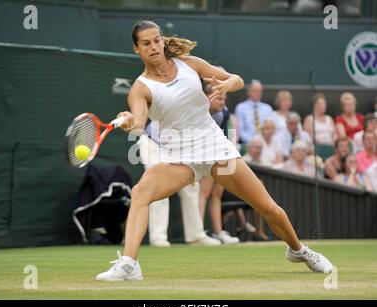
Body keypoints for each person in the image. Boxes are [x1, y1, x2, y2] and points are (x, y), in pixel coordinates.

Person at [95, 20, 333, 281]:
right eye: (146, 43)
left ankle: (299, 250)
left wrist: (227, 85)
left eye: (156, 40)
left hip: (214, 147)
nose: (153, 47)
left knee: (269, 208)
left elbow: (237, 80)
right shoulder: (140, 89)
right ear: (136, 49)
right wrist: (129, 121)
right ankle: (129, 264)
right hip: (178, 158)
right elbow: (139, 123)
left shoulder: (190, 64)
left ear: (163, 41)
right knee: (141, 192)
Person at [138, 121, 221, 247]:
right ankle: (158, 237)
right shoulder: (188, 109)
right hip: (153, 143)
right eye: (218, 99)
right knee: (159, 186)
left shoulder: (219, 115)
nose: (220, 102)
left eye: (222, 99)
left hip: (178, 147)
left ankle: (196, 235)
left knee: (191, 186)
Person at [199, 83, 240, 244]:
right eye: (219, 98)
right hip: (203, 155)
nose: (223, 102)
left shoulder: (224, 113)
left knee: (217, 194)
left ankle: (218, 232)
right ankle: (199, 232)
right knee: (204, 193)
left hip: (219, 153)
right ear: (208, 98)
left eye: (224, 99)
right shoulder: (199, 113)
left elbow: (227, 136)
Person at [235, 79, 273, 145]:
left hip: (265, 143)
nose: (258, 94)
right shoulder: (240, 108)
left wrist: (263, 141)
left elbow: (271, 129)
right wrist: (254, 142)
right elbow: (240, 131)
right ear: (249, 92)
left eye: (260, 91)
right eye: (255, 91)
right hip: (247, 143)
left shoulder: (268, 108)